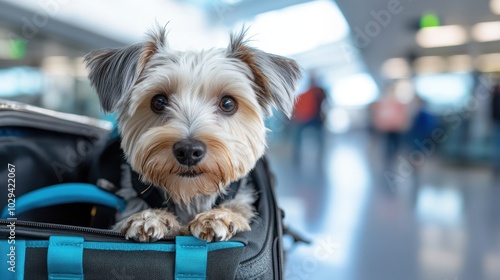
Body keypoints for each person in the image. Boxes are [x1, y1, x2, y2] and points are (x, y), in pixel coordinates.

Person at [291, 74, 327, 167]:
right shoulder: (305, 94)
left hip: (315, 118)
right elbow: (297, 107)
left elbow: (325, 103)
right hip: (304, 118)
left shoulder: (320, 92)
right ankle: (296, 154)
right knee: (298, 136)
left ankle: (321, 153)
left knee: (319, 137)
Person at [491, 81, 500, 176]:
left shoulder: (494, 97)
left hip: (496, 122)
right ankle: (496, 164)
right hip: (497, 122)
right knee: (497, 145)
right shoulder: (495, 97)